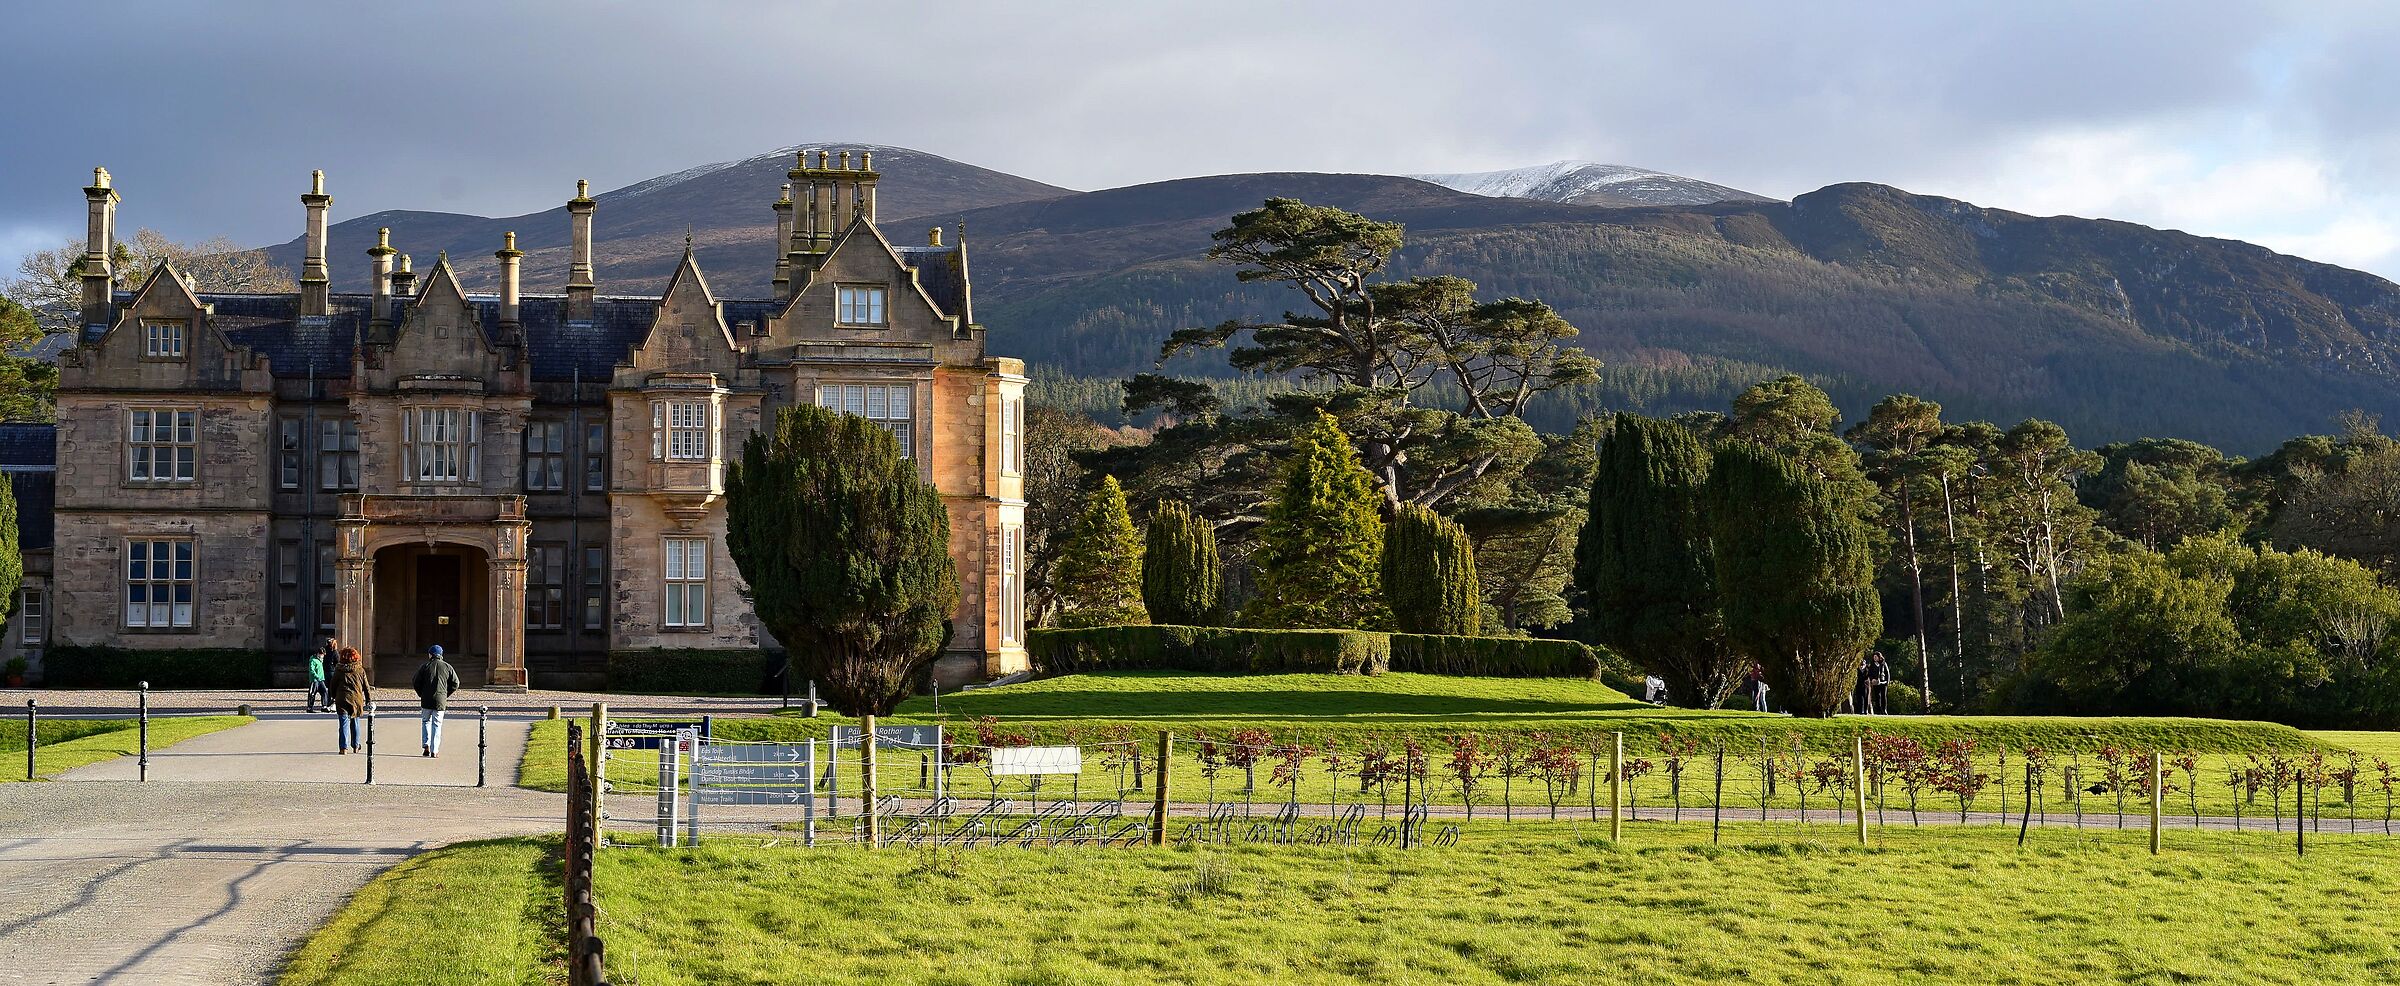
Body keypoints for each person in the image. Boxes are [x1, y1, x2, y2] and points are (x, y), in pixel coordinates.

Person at [412, 644, 460, 758]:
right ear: (441, 655)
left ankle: (426, 746)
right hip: (440, 701)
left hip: (426, 700)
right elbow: (456, 683)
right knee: (437, 724)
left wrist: (421, 693)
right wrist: (445, 694)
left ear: (430, 655)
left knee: (425, 721)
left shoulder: (425, 666)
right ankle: (435, 750)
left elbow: (415, 681)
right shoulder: (447, 667)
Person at [332, 647, 370, 754]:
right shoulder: (360, 670)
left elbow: (333, 684)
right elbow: (366, 687)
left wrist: (333, 696)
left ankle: (343, 747)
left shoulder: (339, 670)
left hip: (342, 699)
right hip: (356, 699)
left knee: (343, 723)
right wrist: (368, 700)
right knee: (355, 722)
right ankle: (356, 745)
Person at [305, 638, 333, 713]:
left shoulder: (320, 660)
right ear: (318, 653)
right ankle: (309, 707)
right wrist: (316, 676)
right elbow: (312, 670)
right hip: (314, 680)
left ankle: (324, 706)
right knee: (312, 693)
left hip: (321, 679)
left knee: (324, 692)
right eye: (322, 655)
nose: (322, 656)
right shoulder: (313, 660)